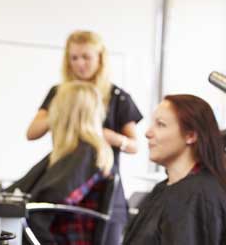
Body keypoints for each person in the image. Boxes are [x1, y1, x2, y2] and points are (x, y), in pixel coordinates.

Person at [26, 30, 142, 242]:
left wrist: (108, 137)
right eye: (74, 58)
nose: (80, 64)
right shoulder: (58, 93)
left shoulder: (118, 97)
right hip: (67, 184)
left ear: (100, 58)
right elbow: (32, 132)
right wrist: (67, 108)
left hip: (96, 190)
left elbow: (135, 145)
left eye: (86, 57)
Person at [122, 94, 226, 244]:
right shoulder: (164, 189)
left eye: (161, 124)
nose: (148, 133)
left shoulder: (198, 196)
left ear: (190, 135)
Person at [9, 81, 115, 244]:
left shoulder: (87, 153)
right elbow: (23, 187)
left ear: (63, 113)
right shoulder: (68, 152)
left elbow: (47, 202)